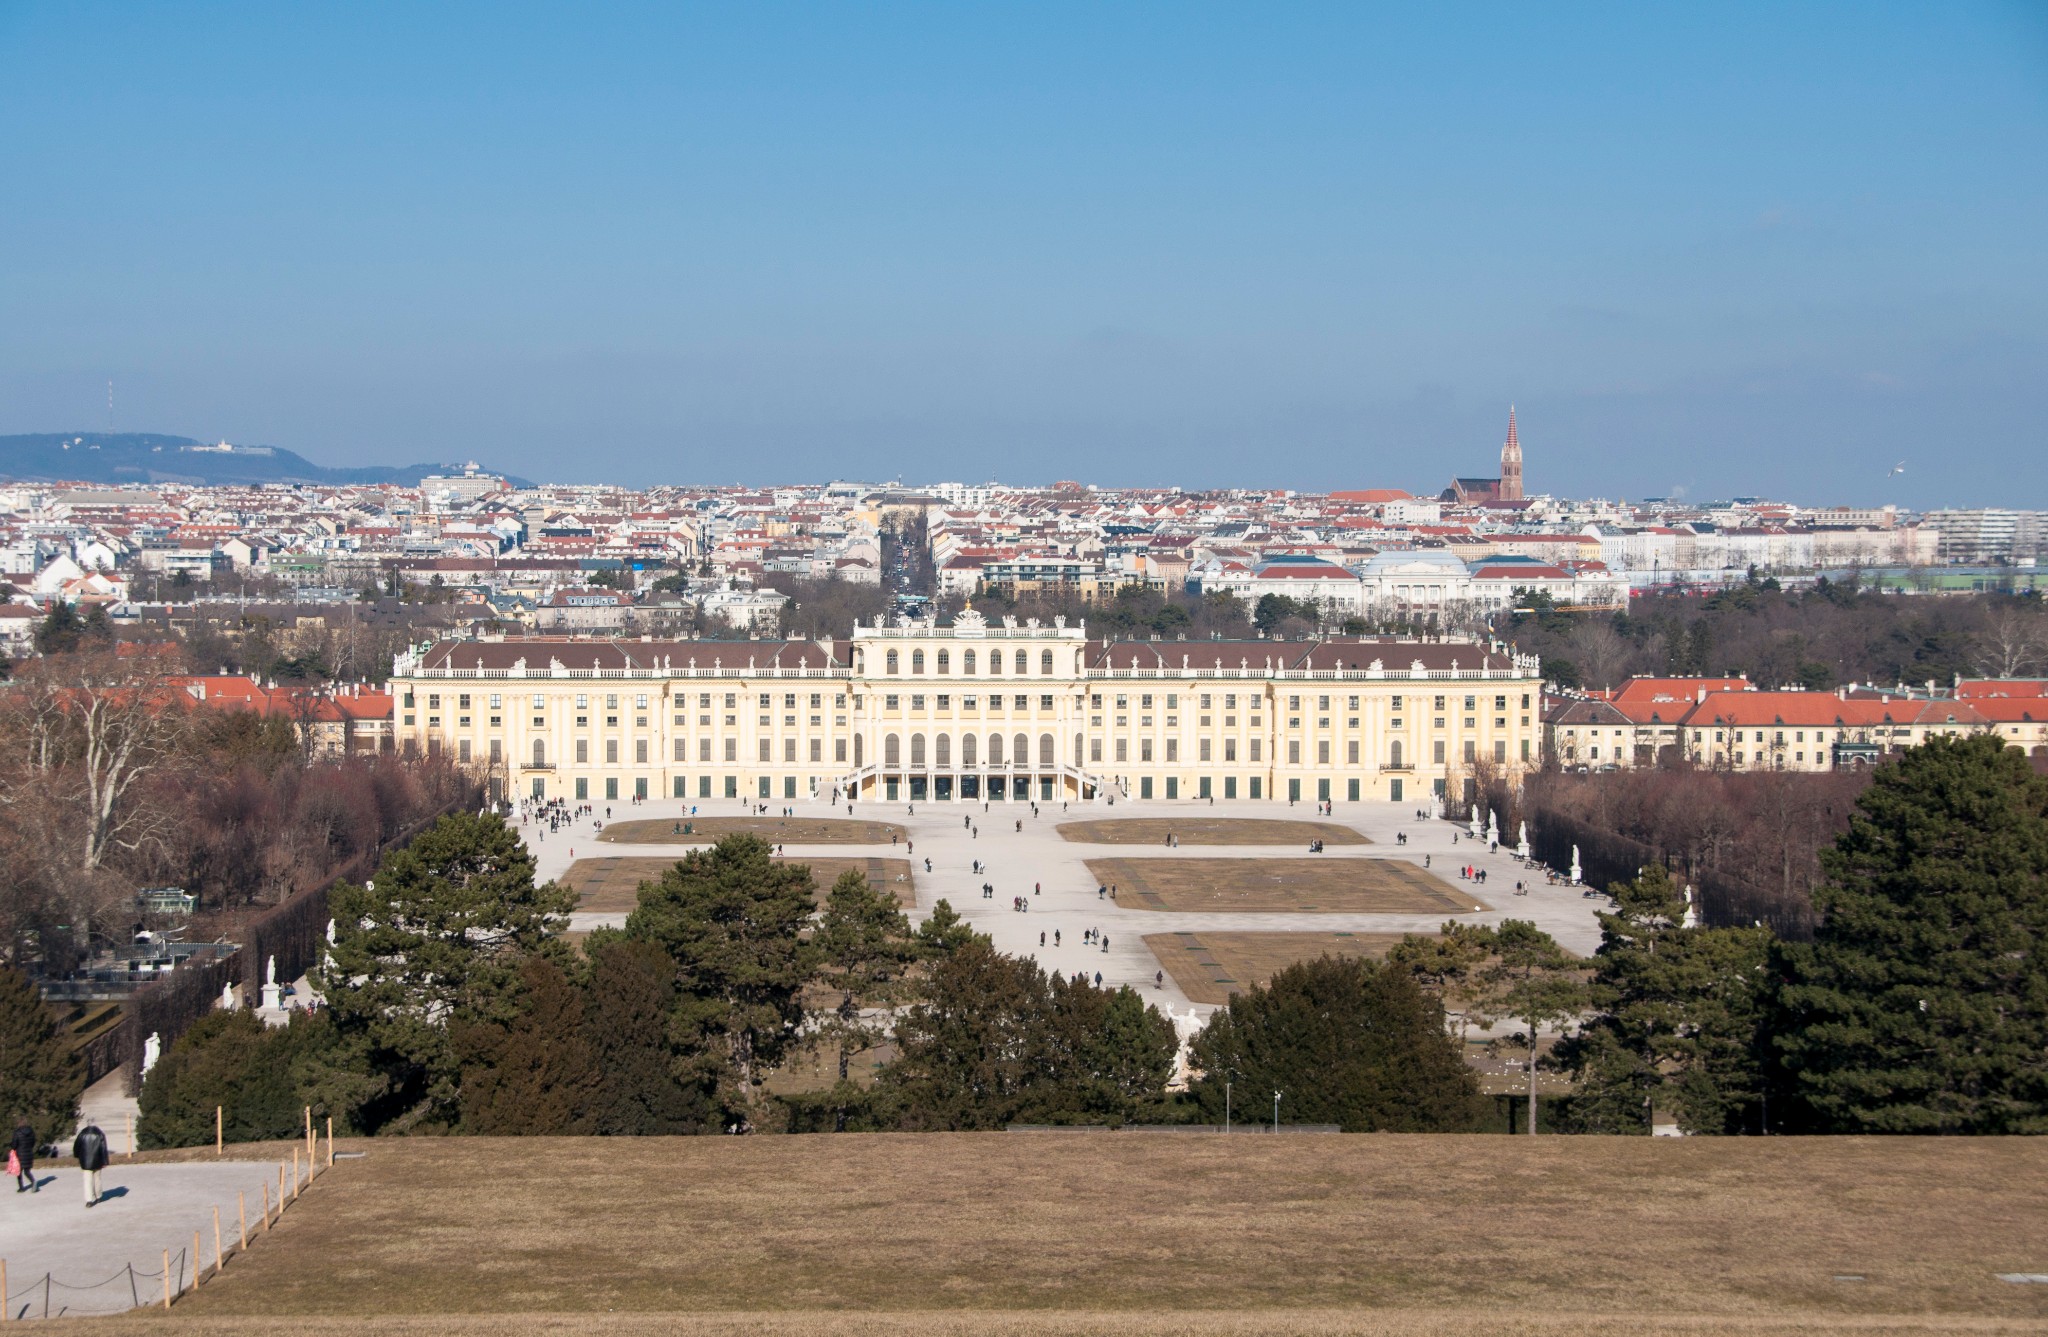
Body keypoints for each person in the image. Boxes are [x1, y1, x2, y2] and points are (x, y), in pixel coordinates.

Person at [73, 1122, 109, 1208]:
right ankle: (98, 1196)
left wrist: (77, 1155)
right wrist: (105, 1161)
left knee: (87, 1180)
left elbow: (76, 1147)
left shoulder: (82, 1134)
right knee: (97, 1179)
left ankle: (89, 1200)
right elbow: (103, 1148)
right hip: (98, 1160)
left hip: (85, 1161)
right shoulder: (100, 1133)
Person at [11, 1117, 37, 1193]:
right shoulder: (31, 1131)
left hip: (19, 1154)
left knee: (19, 1172)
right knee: (27, 1171)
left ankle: (21, 1188)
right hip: (29, 1153)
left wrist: (13, 1148)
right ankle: (33, 1181)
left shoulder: (17, 1132)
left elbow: (14, 1145)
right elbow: (33, 1142)